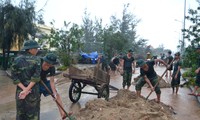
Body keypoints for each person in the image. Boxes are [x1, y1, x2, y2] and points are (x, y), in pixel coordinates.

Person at [11, 40, 41, 120]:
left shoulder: (16, 60)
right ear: (30, 49)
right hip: (32, 92)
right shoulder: (37, 60)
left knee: (20, 114)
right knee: (33, 114)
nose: (37, 50)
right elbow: (36, 77)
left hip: (20, 92)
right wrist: (27, 89)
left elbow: (14, 77)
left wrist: (24, 89)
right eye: (36, 48)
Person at [40, 53, 70, 119]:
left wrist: (54, 93)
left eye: (49, 64)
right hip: (35, 82)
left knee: (57, 95)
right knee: (35, 99)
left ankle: (62, 114)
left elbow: (52, 81)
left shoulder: (52, 68)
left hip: (44, 81)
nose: (47, 65)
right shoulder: (38, 62)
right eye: (46, 63)